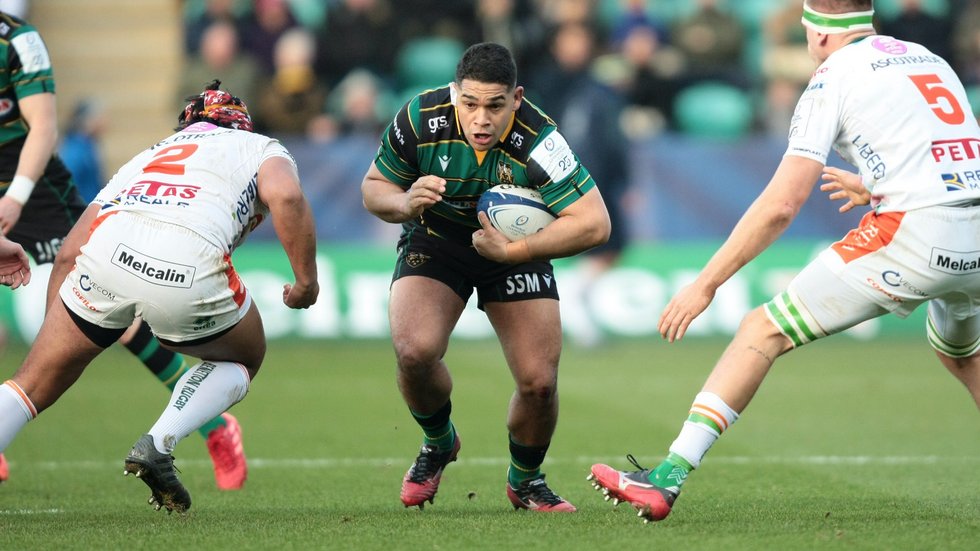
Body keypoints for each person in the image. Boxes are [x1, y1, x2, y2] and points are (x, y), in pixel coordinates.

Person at [589, 0, 980, 523]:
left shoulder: (831, 76)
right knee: (962, 354)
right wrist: (875, 184)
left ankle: (668, 476)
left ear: (816, 32)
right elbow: (955, 154)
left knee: (761, 330)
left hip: (915, 234)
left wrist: (707, 282)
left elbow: (780, 205)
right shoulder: (928, 58)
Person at [0, 80, 319, 513]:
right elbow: (286, 195)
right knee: (242, 358)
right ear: (241, 123)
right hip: (189, 263)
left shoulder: (149, 153)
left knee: (31, 381)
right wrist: (305, 282)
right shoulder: (261, 146)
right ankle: (159, 442)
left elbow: (70, 251)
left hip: (109, 252)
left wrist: (56, 332)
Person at [0, 12, 249, 490]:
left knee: (111, 310)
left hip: (32, 189)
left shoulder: (19, 40)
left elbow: (43, 126)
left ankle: (214, 425)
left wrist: (16, 194)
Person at [361, 42, 611, 512]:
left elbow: (595, 223)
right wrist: (404, 203)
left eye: (495, 106)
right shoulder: (419, 118)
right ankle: (438, 442)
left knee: (539, 382)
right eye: (470, 103)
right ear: (455, 94)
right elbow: (374, 189)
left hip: (515, 251)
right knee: (414, 351)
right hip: (436, 241)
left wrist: (515, 249)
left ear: (516, 99)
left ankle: (526, 481)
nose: (481, 119)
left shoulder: (541, 140)